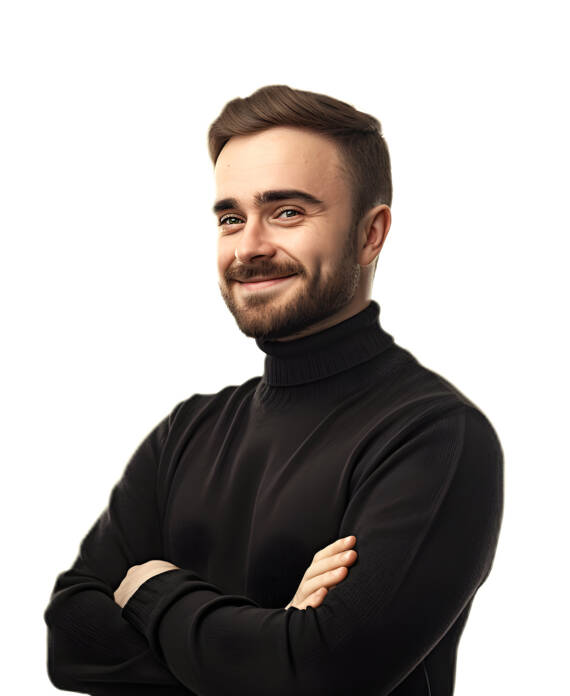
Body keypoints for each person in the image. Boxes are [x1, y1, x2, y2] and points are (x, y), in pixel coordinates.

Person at [44, 84, 504, 696]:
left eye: (287, 212)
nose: (250, 247)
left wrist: (152, 590)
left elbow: (320, 677)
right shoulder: (186, 431)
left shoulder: (434, 436)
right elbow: (70, 641)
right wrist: (272, 643)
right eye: (231, 218)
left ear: (371, 234)